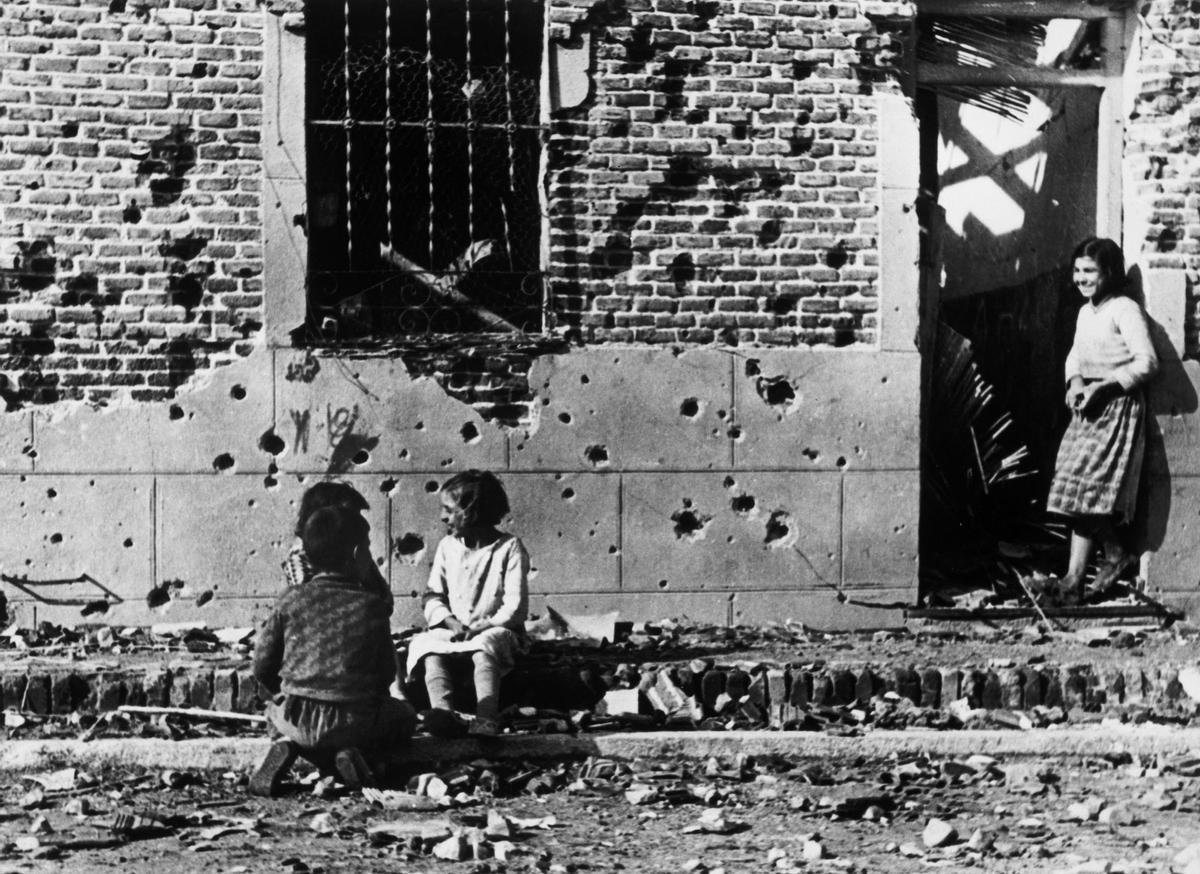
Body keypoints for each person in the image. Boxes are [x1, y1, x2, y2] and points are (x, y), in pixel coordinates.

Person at [249, 504, 416, 797]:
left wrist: (277, 692)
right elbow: (386, 672)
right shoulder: (371, 605)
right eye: (366, 548)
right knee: (404, 717)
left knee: (271, 710)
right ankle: (349, 756)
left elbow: (262, 663)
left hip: (295, 716)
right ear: (355, 554)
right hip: (354, 721)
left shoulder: (290, 599)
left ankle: (288, 745)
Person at [1046, 237, 1158, 603]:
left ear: (1109, 272)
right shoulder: (1085, 313)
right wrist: (1076, 383)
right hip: (1088, 406)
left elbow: (1147, 362)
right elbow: (1075, 357)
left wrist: (1106, 388)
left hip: (1117, 406)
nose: (1082, 278)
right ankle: (1106, 557)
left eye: (1090, 271)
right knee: (1074, 484)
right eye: (1077, 271)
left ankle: (1075, 578)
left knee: (1087, 487)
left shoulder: (1124, 309)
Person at [406, 470, 529, 738]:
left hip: (495, 629)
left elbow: (515, 606)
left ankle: (486, 718)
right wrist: (449, 621)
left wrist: (484, 626)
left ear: (473, 511)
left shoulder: (509, 548)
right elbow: (433, 595)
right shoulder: (447, 547)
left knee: (486, 646)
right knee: (425, 645)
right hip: (456, 629)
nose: (442, 517)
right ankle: (444, 713)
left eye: (449, 510)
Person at [282, 481, 391, 608]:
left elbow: (384, 599)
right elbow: (310, 610)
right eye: (351, 515)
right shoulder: (300, 556)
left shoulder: (353, 551)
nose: (358, 522)